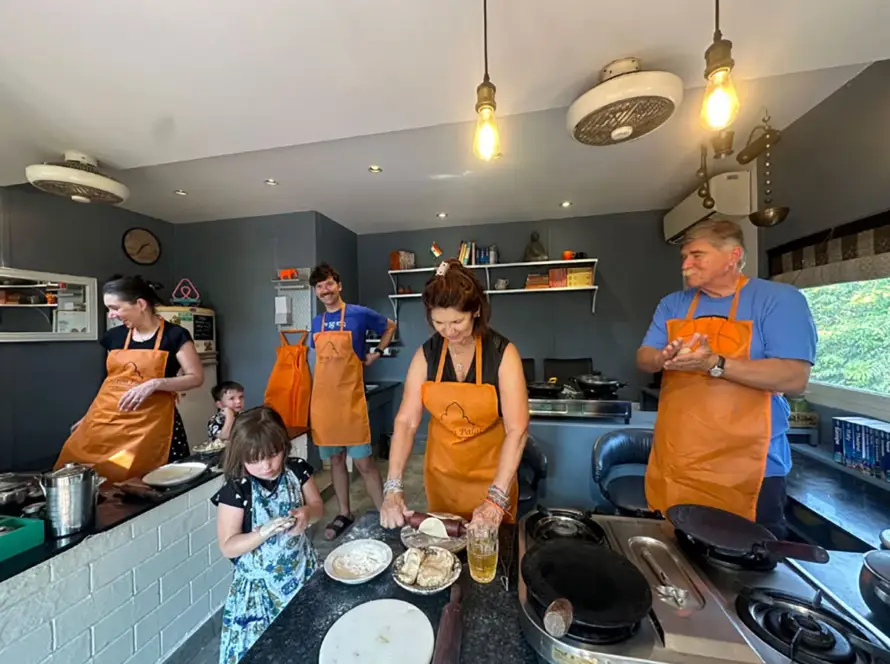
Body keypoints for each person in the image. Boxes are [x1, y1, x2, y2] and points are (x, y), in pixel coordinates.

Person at [637, 219, 817, 537]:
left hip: (749, 469)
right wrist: (662, 358)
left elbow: (794, 378)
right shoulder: (673, 304)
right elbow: (644, 357)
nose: (685, 265)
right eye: (684, 257)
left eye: (696, 255)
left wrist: (715, 363)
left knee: (744, 569)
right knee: (678, 564)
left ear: (733, 255)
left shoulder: (777, 300)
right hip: (680, 463)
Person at [379, 259, 529, 532]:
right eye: (439, 322)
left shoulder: (503, 355)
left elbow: (517, 429)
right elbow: (406, 422)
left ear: (475, 311)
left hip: (493, 480)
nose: (449, 331)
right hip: (442, 478)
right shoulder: (427, 354)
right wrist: (393, 486)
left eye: (457, 321)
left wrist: (496, 500)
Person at [57, 275, 204, 481]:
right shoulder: (114, 337)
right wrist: (89, 416)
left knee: (151, 480)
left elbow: (196, 377)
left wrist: (156, 383)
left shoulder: (175, 335)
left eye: (115, 308)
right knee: (85, 474)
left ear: (141, 304)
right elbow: (109, 383)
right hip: (110, 420)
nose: (111, 315)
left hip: (154, 424)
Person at [212, 406, 322, 664]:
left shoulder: (296, 471)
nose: (266, 466)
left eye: (273, 455)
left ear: (284, 445)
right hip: (258, 591)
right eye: (255, 460)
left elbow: (318, 507)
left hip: (301, 571)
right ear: (241, 458)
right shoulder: (237, 490)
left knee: (306, 644)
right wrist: (263, 531)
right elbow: (228, 546)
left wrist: (307, 513)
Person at [308, 263, 397, 540]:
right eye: (320, 286)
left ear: (339, 285)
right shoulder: (316, 324)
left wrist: (377, 352)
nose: (326, 290)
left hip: (351, 400)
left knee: (363, 463)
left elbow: (390, 326)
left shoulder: (359, 314)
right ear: (316, 292)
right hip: (324, 401)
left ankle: (385, 513)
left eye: (329, 284)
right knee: (335, 460)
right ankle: (344, 512)